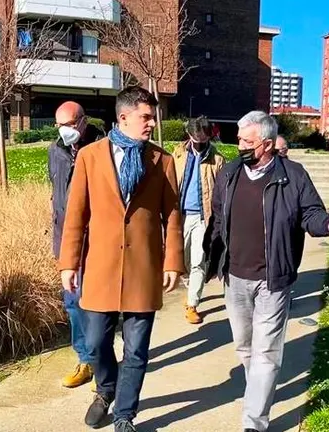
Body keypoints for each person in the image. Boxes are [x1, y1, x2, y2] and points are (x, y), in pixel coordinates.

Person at [204, 111, 329, 432]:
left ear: (268, 144)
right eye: (239, 139)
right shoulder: (230, 173)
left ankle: (254, 422)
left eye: (247, 141)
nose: (240, 145)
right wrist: (209, 261)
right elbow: (218, 220)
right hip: (234, 278)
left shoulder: (293, 176)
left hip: (273, 280)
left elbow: (311, 214)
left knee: (267, 353)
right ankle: (259, 391)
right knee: (245, 347)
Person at [58, 86, 184, 432]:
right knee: (97, 342)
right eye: (145, 117)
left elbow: (172, 216)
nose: (151, 124)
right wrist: (69, 262)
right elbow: (76, 214)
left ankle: (125, 414)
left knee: (137, 350)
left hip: (143, 268)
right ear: (123, 117)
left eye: (152, 117)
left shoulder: (162, 160)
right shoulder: (90, 156)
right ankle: (105, 390)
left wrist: (173, 261)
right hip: (100, 268)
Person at [48, 101, 103, 389]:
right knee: (72, 304)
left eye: (68, 125)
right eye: (59, 125)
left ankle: (100, 360)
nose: (64, 131)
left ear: (82, 121)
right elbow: (55, 193)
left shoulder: (102, 149)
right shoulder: (55, 151)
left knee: (95, 306)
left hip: (95, 241)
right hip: (64, 240)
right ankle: (85, 359)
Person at [172, 116, 225, 324]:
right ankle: (191, 285)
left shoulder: (217, 160)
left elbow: (221, 192)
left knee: (198, 261)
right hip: (180, 216)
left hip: (204, 218)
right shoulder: (177, 155)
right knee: (181, 260)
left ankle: (192, 303)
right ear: (189, 135)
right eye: (196, 139)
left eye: (204, 140)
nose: (200, 144)